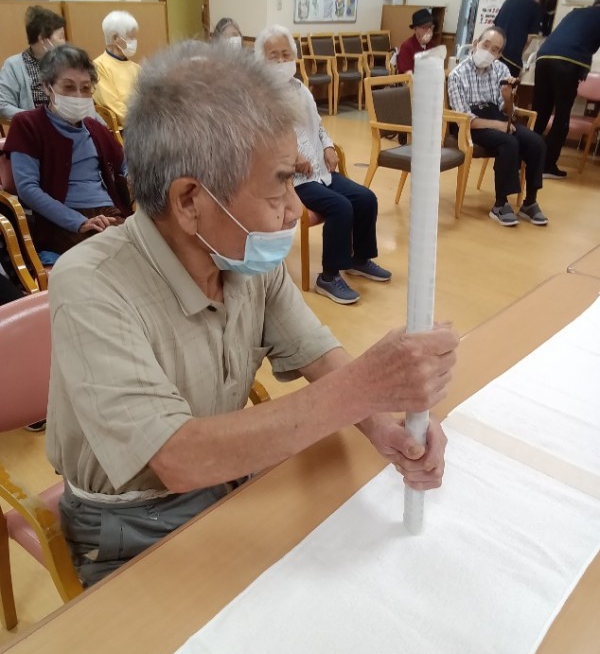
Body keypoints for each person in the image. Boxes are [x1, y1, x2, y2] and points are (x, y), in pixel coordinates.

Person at [45, 41, 458, 586]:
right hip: (132, 522)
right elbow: (177, 458)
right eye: (281, 183)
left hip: (226, 480)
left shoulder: (240, 258)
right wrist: (368, 386)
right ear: (190, 201)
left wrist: (385, 427)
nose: (296, 209)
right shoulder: (90, 284)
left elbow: (316, 352)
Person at [255, 25, 391, 305]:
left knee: (366, 198)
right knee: (341, 207)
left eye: (285, 54)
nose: (281, 61)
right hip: (292, 181)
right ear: (261, 61)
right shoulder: (258, 99)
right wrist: (291, 158)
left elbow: (318, 125)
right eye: (273, 56)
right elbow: (260, 144)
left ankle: (359, 259)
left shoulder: (301, 88)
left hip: (320, 172)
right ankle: (328, 277)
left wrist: (328, 146)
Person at [3, 45, 132, 263]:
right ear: (47, 87)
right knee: (113, 258)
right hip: (62, 219)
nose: (78, 96)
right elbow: (27, 189)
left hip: (108, 212)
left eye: (86, 88)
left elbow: (125, 163)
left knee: (145, 250)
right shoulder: (27, 124)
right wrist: (78, 222)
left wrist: (135, 179)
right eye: (69, 87)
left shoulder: (95, 127)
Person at [447, 26, 547, 227]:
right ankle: (501, 204)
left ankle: (530, 202)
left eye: (495, 50)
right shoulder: (457, 74)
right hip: (470, 126)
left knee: (536, 142)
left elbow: (509, 112)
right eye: (486, 45)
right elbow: (464, 117)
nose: (488, 52)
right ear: (475, 44)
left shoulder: (501, 70)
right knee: (508, 142)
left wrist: (508, 98)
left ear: (499, 54)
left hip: (498, 117)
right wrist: (498, 126)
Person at [533, 0, 600, 179]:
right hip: (568, 63)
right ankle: (546, 166)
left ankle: (523, 159)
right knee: (562, 116)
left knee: (539, 113)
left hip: (543, 57)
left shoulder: (576, 13)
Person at [0, 6, 66, 122]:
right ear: (43, 38)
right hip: (34, 128)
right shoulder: (13, 65)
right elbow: (3, 105)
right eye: (61, 37)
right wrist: (36, 119)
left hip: (67, 126)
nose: (64, 42)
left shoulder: (66, 63)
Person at [93, 10, 140, 127]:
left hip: (143, 125)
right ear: (115, 38)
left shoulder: (137, 68)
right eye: (131, 37)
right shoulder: (99, 66)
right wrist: (141, 124)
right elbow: (112, 105)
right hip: (124, 129)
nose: (134, 41)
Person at [494, 0, 544, 77]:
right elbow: (529, 38)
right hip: (512, 57)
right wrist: (520, 53)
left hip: (495, 51)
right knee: (507, 84)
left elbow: (496, 24)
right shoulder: (536, 7)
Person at [396, 8, 437, 74]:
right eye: (425, 27)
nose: (429, 30)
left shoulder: (433, 46)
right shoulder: (407, 47)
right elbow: (408, 74)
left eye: (431, 27)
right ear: (415, 29)